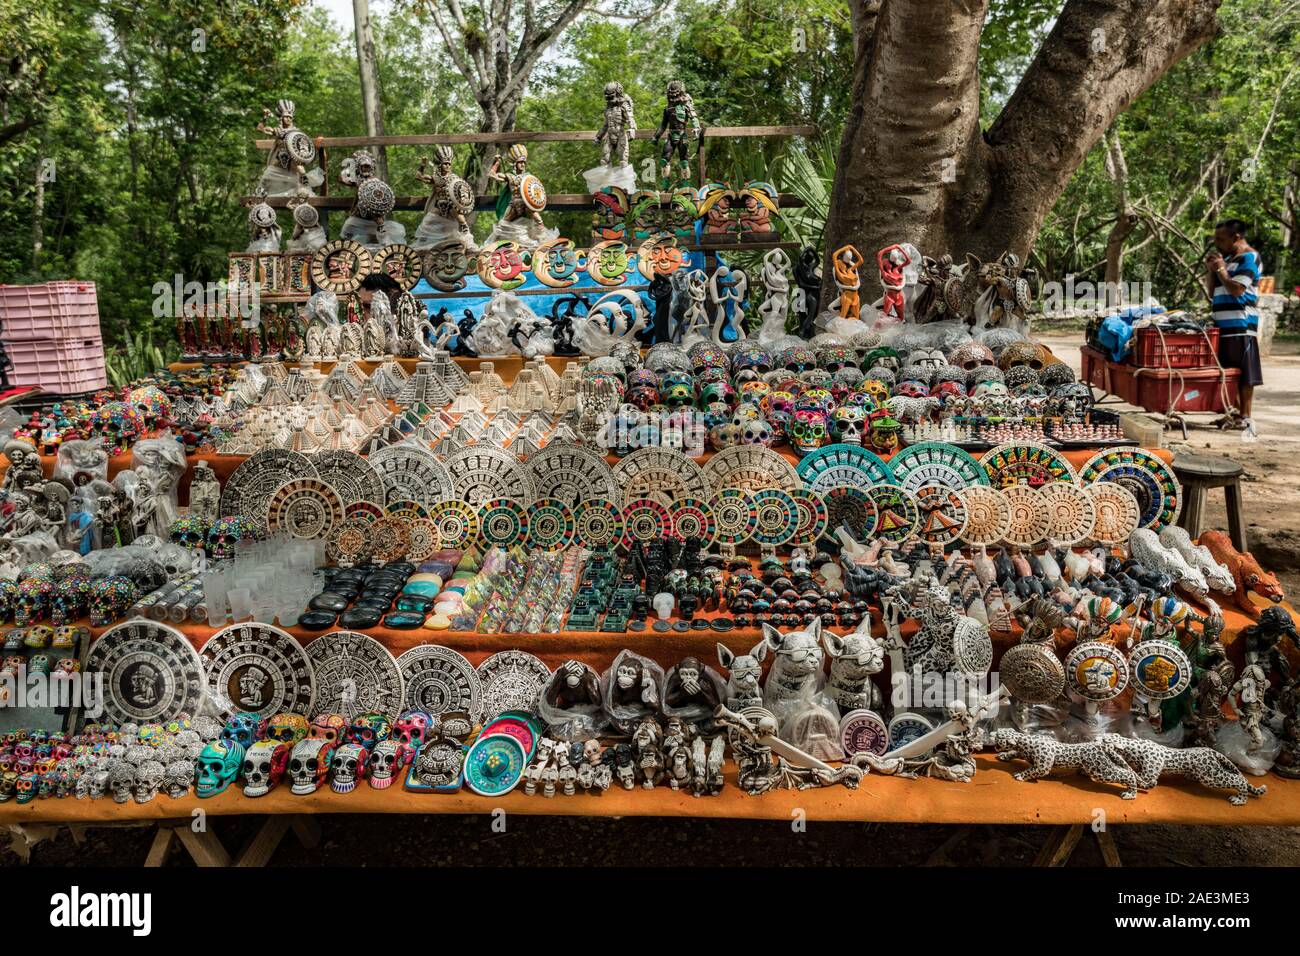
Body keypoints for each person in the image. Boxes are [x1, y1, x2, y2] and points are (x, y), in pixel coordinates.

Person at [1204, 219, 1264, 433]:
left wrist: (1221, 270)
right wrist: (1213, 270)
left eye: (1221, 239)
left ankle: (1245, 417)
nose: (1218, 243)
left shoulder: (1250, 257)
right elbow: (1212, 293)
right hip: (1223, 325)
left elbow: (1237, 288)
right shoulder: (1228, 259)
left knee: (1245, 374)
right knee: (1228, 372)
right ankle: (1233, 413)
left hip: (1241, 324)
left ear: (1236, 237)